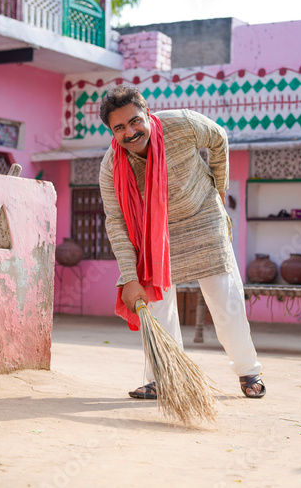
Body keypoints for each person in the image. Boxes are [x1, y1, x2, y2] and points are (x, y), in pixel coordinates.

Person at [99, 85, 266, 400]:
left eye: (135, 121)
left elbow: (218, 139)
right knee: (157, 305)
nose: (130, 133)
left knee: (224, 298)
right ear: (112, 132)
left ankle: (249, 370)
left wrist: (218, 186)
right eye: (119, 128)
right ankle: (163, 378)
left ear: (148, 114)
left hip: (203, 216)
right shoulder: (111, 167)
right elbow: (116, 222)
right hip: (153, 232)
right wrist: (131, 277)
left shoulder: (183, 123)